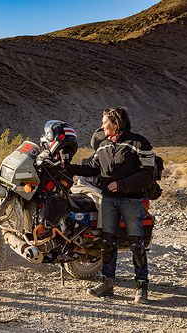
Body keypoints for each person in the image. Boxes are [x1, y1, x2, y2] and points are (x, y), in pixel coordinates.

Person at [66, 107, 155, 304]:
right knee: (106, 242)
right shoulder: (104, 145)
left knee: (135, 243)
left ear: (116, 123)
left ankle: (142, 286)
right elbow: (91, 168)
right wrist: (66, 167)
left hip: (131, 200)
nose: (102, 125)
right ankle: (107, 283)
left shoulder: (139, 143)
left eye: (105, 122)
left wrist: (122, 185)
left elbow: (148, 175)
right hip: (107, 200)